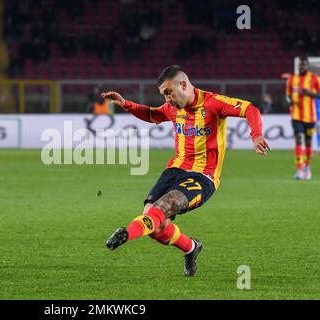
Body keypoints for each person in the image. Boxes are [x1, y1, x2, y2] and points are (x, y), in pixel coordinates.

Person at [101, 65, 270, 277]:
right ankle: (191, 247)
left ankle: (127, 233)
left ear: (183, 84)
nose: (167, 99)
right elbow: (152, 114)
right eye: (163, 94)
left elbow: (250, 109)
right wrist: (126, 104)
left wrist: (256, 135)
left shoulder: (213, 103)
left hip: (203, 175)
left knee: (163, 207)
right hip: (173, 170)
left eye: (168, 93)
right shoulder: (172, 108)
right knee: (155, 225)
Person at [286, 57, 320, 180]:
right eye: (300, 65)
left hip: (310, 118)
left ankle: (307, 166)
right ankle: (299, 169)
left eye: (304, 65)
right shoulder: (291, 79)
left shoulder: (314, 79)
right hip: (296, 116)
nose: (301, 67)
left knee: (308, 143)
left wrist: (310, 93)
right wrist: (289, 101)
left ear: (307, 66)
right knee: (299, 139)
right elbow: (288, 95)